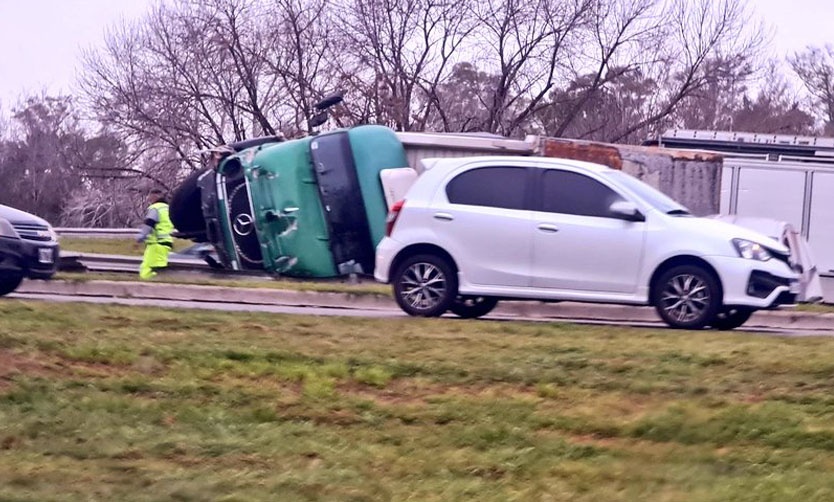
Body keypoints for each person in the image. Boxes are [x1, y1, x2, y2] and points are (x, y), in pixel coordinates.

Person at [136, 188, 174, 280]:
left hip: (156, 243)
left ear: (155, 196)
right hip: (166, 243)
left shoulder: (155, 208)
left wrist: (141, 237)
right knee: (158, 268)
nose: (149, 199)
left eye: (150, 196)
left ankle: (148, 288)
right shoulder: (168, 208)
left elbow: (149, 224)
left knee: (146, 269)